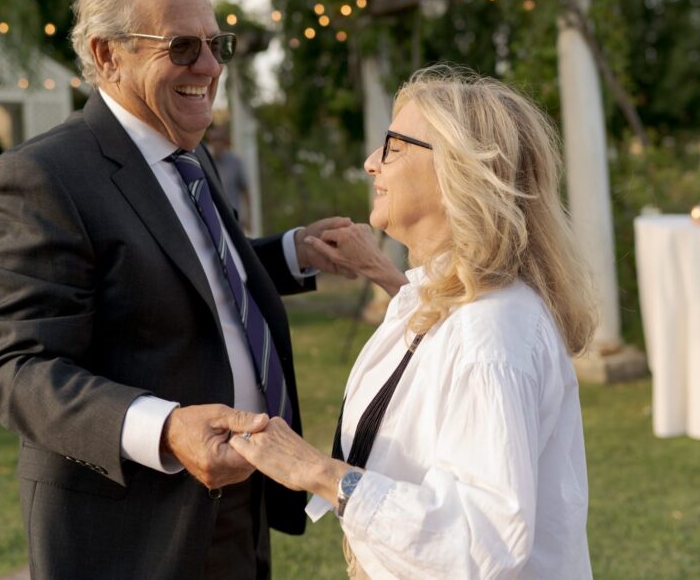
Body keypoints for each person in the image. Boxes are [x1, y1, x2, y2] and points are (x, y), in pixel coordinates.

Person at [0, 0, 361, 579]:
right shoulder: (40, 176)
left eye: (216, 45)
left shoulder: (186, 150)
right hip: (133, 527)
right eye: (182, 46)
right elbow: (20, 369)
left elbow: (191, 271)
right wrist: (166, 429)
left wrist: (292, 254)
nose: (208, 67)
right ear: (106, 55)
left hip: (240, 501)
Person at [230, 65, 599, 579]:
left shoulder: (490, 334)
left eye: (393, 147)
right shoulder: (456, 301)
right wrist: (381, 271)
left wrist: (317, 471)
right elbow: (428, 354)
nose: (369, 164)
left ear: (458, 172)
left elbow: (481, 543)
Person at [205, 123, 251, 232]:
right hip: (212, 221)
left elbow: (245, 191)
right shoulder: (204, 163)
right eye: (213, 140)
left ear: (225, 142)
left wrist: (248, 217)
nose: (216, 143)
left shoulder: (235, 162)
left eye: (219, 140)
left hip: (234, 219)